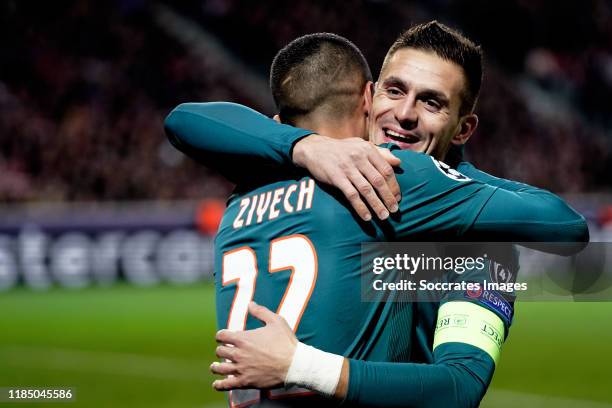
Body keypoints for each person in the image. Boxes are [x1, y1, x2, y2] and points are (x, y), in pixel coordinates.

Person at [165, 27, 588, 407]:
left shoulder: (481, 244)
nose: (405, 114)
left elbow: (458, 387)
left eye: (432, 103)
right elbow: (184, 119)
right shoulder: (310, 166)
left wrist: (456, 182)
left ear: (462, 129)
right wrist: (308, 146)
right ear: (368, 97)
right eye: (395, 91)